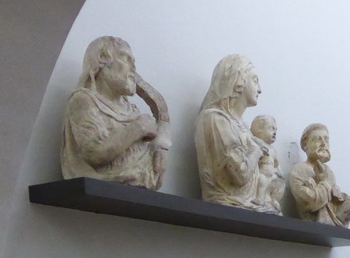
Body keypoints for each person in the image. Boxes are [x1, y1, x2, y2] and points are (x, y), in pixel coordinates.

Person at [61, 36, 169, 189]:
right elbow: (94, 154)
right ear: (101, 59)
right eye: (126, 58)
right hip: (100, 181)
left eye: (134, 61)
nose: (133, 68)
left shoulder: (133, 111)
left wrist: (159, 148)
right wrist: (137, 129)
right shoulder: (84, 100)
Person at [195, 55, 270, 210]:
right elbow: (240, 174)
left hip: (251, 205)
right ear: (239, 81)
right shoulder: (215, 118)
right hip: (228, 203)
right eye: (255, 80)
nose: (260, 89)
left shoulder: (242, 126)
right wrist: (256, 151)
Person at [289, 123, 350, 226]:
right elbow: (309, 202)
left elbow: (334, 201)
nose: (324, 144)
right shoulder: (300, 169)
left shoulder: (328, 172)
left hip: (332, 222)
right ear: (306, 144)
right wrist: (326, 184)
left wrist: (337, 196)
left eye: (326, 140)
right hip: (313, 221)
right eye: (317, 139)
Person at [250, 114, 286, 214]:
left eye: (276, 130)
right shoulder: (256, 142)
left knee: (279, 185)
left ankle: (273, 200)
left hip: (273, 175)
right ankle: (260, 199)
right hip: (263, 173)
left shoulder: (273, 149)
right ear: (259, 129)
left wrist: (279, 171)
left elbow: (277, 163)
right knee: (262, 181)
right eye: (271, 129)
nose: (275, 132)